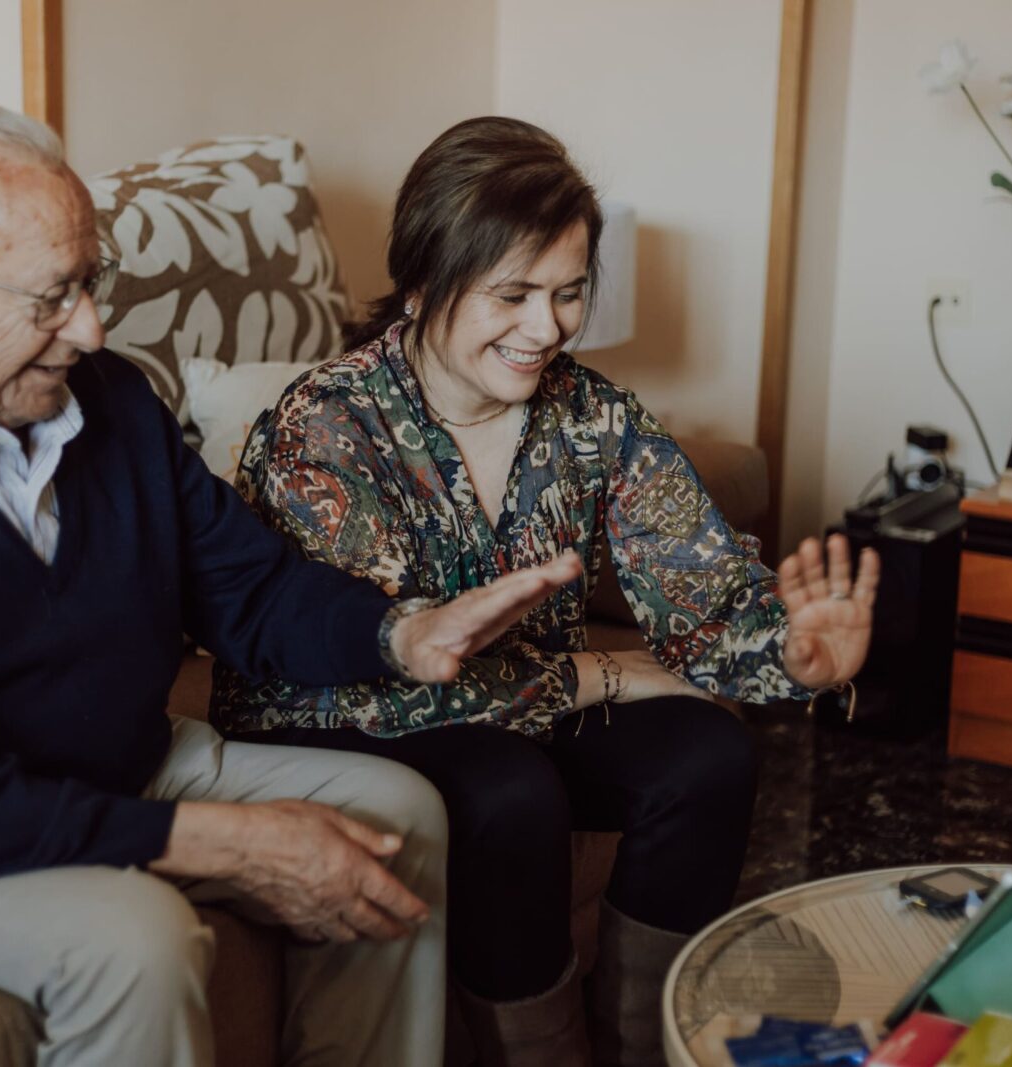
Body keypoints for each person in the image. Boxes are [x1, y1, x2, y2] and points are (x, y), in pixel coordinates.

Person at [0, 104, 583, 1067]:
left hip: (116, 762)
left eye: (89, 281)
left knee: (399, 819)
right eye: (50, 297)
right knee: (135, 942)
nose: (91, 326)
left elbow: (249, 587)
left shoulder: (101, 401)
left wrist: (403, 634)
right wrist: (223, 841)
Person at [210, 116, 880, 1067]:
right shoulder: (326, 424)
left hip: (503, 703)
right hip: (339, 709)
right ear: (423, 282)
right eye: (513, 294)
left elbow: (703, 590)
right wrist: (602, 674)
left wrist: (791, 649)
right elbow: (368, 662)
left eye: (568, 294)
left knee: (708, 754)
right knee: (508, 788)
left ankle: (642, 1050)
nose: (547, 327)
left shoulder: (590, 414)